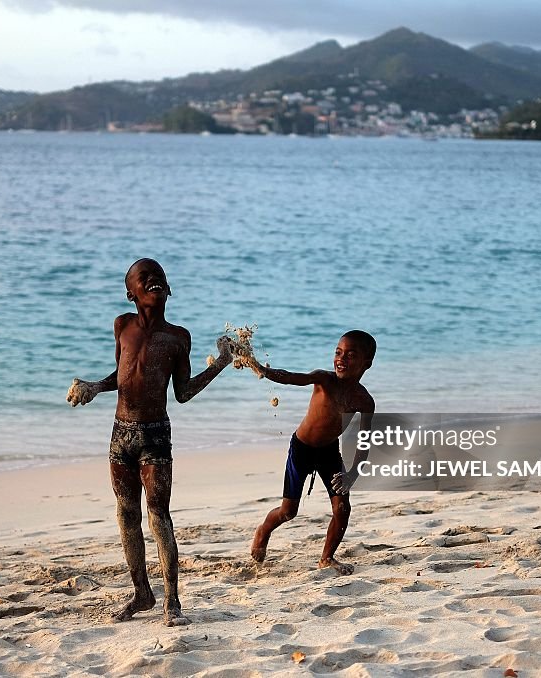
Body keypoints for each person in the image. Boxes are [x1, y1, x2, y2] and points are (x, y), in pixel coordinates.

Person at [67, 258, 233, 626]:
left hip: (155, 435)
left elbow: (184, 392)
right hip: (120, 435)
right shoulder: (122, 326)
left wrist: (221, 362)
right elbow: (122, 375)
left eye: (159, 276)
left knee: (158, 515)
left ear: (169, 289)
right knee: (126, 515)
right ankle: (142, 593)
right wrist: (93, 387)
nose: (153, 280)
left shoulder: (178, 337)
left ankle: (172, 602)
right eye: (144, 278)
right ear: (131, 293)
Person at [249, 331, 376, 575]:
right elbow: (292, 378)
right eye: (338, 352)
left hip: (329, 451)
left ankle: (326, 558)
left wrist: (351, 475)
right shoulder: (324, 380)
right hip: (302, 448)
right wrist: (263, 370)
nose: (342, 359)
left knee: (342, 509)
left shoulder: (364, 401)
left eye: (351, 355)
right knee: (288, 512)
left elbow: (364, 443)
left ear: (366, 363)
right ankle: (263, 531)